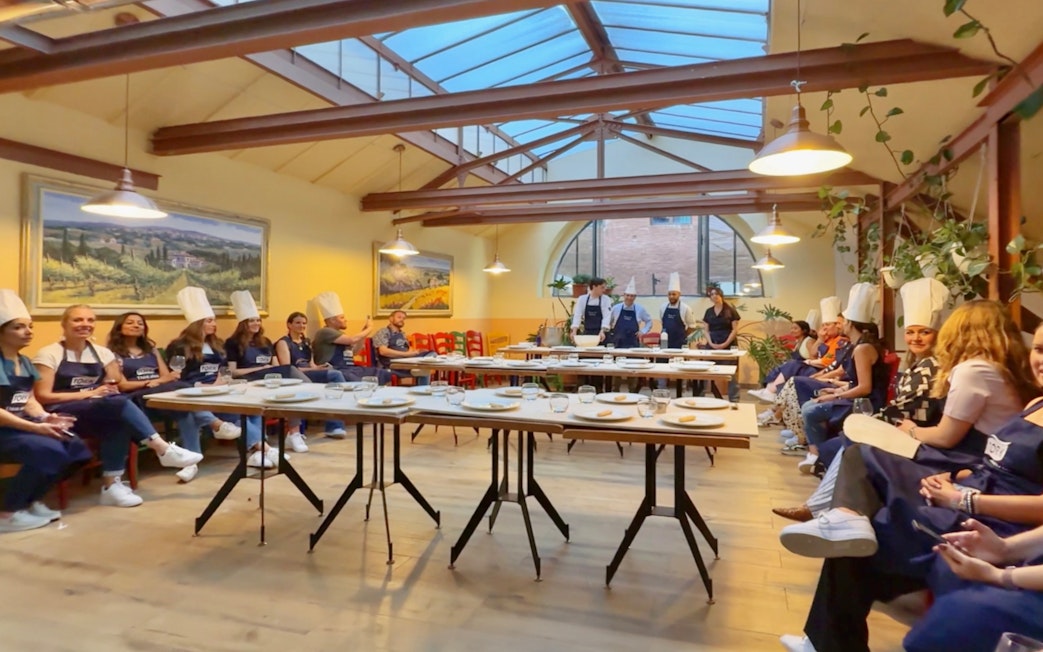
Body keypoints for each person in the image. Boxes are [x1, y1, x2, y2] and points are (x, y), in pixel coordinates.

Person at [776, 318, 1042, 652]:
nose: (1041, 360)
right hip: (968, 485)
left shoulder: (973, 372)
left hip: (991, 518)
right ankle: (844, 523)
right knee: (858, 491)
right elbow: (994, 460)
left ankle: (826, 640)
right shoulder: (1035, 402)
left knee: (864, 506)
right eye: (1039, 349)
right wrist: (956, 478)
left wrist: (966, 501)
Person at [773, 278, 947, 522]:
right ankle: (822, 507)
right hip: (897, 421)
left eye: (924, 332)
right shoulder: (914, 362)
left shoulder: (930, 365)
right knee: (832, 424)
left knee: (841, 435)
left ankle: (822, 507)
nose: (916, 338)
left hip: (909, 429)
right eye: (910, 332)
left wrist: (872, 420)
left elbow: (898, 405)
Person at [32, 304, 202, 507]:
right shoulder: (49, 354)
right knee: (119, 406)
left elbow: (114, 384)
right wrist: (91, 393)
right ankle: (162, 448)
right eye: (78, 320)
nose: (85, 324)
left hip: (94, 409)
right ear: (64, 324)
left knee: (118, 422)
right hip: (61, 413)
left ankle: (111, 486)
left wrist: (110, 376)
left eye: (90, 320)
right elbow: (43, 396)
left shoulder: (101, 353)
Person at [106, 311, 241, 483]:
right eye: (130, 323)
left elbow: (169, 376)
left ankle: (191, 463)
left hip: (168, 394)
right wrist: (151, 382)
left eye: (140, 323)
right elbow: (122, 384)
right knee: (183, 392)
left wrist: (223, 381)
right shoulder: (112, 353)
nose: (136, 325)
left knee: (186, 411)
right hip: (137, 401)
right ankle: (215, 424)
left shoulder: (151, 349)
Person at [0, 290, 91, 532]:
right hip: (5, 429)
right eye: (18, 327)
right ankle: (8, 514)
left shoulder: (24, 361)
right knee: (47, 449)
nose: (28, 332)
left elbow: (28, 398)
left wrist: (45, 417)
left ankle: (30, 500)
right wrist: (35, 427)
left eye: (29, 326)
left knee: (75, 447)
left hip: (19, 426)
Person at [165, 287, 270, 469]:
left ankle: (258, 451)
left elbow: (224, 368)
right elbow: (175, 374)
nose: (214, 324)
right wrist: (199, 385)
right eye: (209, 321)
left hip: (219, 387)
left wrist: (224, 380)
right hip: (193, 390)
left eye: (214, 320)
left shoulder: (217, 344)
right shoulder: (179, 346)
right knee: (234, 412)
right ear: (198, 323)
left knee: (252, 406)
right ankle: (264, 449)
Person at [794, 283, 891, 474]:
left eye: (844, 321)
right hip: (856, 396)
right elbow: (855, 381)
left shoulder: (863, 349)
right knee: (810, 404)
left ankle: (820, 457)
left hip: (866, 403)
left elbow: (864, 388)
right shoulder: (858, 346)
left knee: (811, 411)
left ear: (852, 324)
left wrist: (834, 397)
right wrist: (836, 390)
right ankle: (816, 454)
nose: (841, 324)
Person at [225, 291, 310, 452]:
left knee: (293, 388)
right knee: (293, 374)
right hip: (248, 380)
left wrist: (272, 371)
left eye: (258, 320)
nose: (256, 323)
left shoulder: (265, 342)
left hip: (269, 378)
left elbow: (276, 365)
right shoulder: (232, 343)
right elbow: (233, 372)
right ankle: (310, 390)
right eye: (252, 320)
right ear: (244, 323)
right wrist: (261, 368)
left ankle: (294, 433)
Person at [273, 311, 347, 438]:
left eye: (304, 323)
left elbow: (311, 364)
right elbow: (287, 369)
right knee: (335, 376)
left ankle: (335, 425)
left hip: (309, 373)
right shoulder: (283, 343)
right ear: (289, 325)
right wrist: (313, 370)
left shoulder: (306, 342)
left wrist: (320, 367)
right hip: (294, 376)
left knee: (335, 376)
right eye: (297, 323)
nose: (301, 326)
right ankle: (336, 424)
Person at [310, 291, 389, 384]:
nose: (345, 320)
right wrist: (370, 328)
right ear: (332, 320)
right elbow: (351, 340)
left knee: (383, 373)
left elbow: (355, 351)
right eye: (342, 318)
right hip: (336, 370)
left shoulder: (340, 334)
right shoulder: (325, 332)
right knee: (361, 383)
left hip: (350, 369)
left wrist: (364, 332)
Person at [701, 285, 741, 401]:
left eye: (716, 294)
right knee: (706, 370)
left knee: (731, 373)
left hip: (728, 342)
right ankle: (703, 395)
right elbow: (706, 330)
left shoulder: (731, 310)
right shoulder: (708, 312)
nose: (714, 296)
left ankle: (734, 399)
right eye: (711, 294)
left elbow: (734, 330)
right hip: (712, 342)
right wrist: (711, 343)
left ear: (721, 295)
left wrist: (725, 344)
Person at [371, 309, 432, 385]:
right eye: (399, 317)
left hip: (405, 361)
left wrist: (416, 352)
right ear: (390, 319)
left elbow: (407, 349)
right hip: (390, 363)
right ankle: (420, 380)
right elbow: (383, 351)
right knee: (424, 367)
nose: (402, 320)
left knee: (430, 355)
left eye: (403, 318)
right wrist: (407, 355)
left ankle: (421, 385)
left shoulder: (402, 334)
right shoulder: (383, 331)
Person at [607, 277, 653, 349]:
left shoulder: (640, 309)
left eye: (632, 296)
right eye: (627, 295)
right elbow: (608, 322)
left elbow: (649, 321)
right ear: (624, 295)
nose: (629, 298)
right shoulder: (616, 308)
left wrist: (643, 331)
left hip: (633, 343)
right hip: (617, 343)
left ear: (635, 297)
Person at [658, 272, 699, 350]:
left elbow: (692, 326)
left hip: (680, 342)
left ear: (679, 294)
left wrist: (683, 335)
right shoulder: (663, 307)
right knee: (662, 361)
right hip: (664, 342)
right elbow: (662, 322)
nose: (671, 296)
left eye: (674, 294)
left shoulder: (686, 308)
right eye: (669, 294)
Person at [570, 277, 612, 343]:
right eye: (602, 287)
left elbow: (607, 317)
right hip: (587, 333)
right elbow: (577, 315)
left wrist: (602, 331)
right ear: (594, 287)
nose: (604, 290)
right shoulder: (582, 299)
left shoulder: (606, 300)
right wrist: (574, 331)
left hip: (601, 334)